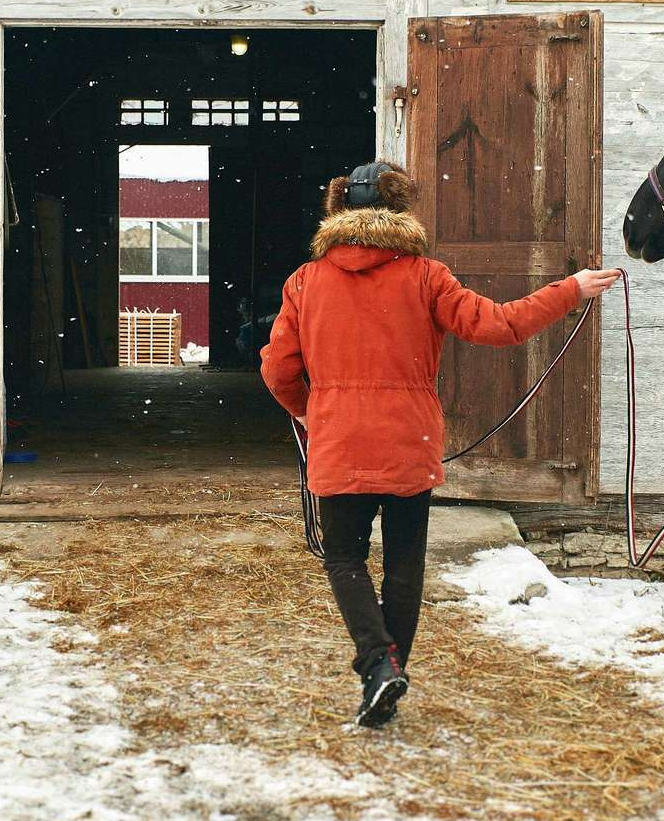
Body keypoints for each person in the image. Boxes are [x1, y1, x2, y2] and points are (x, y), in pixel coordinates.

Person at [259, 161, 621, 727]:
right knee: (404, 565)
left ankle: (377, 663)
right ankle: (389, 669)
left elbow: (278, 370)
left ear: (337, 212)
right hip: (409, 440)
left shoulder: (305, 282)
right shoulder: (426, 276)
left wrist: (314, 413)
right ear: (400, 210)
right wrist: (569, 289)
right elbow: (499, 325)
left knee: (345, 558)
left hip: (340, 443)